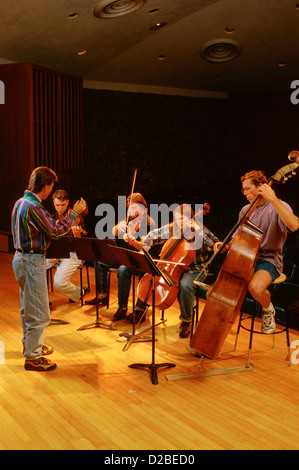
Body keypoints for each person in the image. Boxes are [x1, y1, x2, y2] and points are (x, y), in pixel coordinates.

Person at [11, 167, 87, 372]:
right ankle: (33, 358)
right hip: (31, 260)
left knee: (28, 307)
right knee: (39, 312)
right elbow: (55, 232)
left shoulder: (20, 202)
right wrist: (73, 214)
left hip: (19, 258)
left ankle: (30, 345)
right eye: (51, 186)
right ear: (46, 186)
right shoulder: (34, 207)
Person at [214, 170, 298, 334]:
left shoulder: (278, 206)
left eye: (248, 189)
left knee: (256, 288)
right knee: (223, 288)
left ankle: (268, 309)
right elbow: (237, 237)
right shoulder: (246, 209)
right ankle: (219, 326)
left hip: (269, 259)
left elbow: (294, 225)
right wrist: (225, 245)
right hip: (246, 258)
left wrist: (272, 198)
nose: (245, 193)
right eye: (243, 190)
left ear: (261, 187)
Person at [142, 203, 220, 338]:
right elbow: (151, 236)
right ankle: (140, 310)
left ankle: (185, 320)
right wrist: (145, 250)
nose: (180, 222)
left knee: (185, 285)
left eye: (183, 219)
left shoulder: (200, 230)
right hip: (173, 268)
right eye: (177, 219)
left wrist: (199, 230)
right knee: (150, 278)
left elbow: (215, 244)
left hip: (196, 268)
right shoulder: (172, 229)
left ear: (191, 219)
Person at [85, 193, 155, 323]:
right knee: (99, 260)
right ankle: (102, 295)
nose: (131, 212)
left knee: (123, 270)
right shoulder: (128, 219)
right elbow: (113, 232)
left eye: (134, 208)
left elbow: (146, 247)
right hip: (125, 257)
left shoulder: (150, 223)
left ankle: (124, 307)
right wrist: (117, 228)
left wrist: (134, 242)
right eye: (129, 208)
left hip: (141, 261)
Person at [47, 189, 88, 303]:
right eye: (57, 205)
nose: (60, 208)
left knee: (59, 282)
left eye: (63, 205)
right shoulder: (52, 217)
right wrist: (52, 254)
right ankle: (42, 300)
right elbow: (50, 240)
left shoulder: (76, 218)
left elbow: (81, 245)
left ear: (68, 202)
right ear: (53, 203)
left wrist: (77, 234)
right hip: (57, 252)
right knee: (35, 268)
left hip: (73, 253)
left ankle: (79, 293)